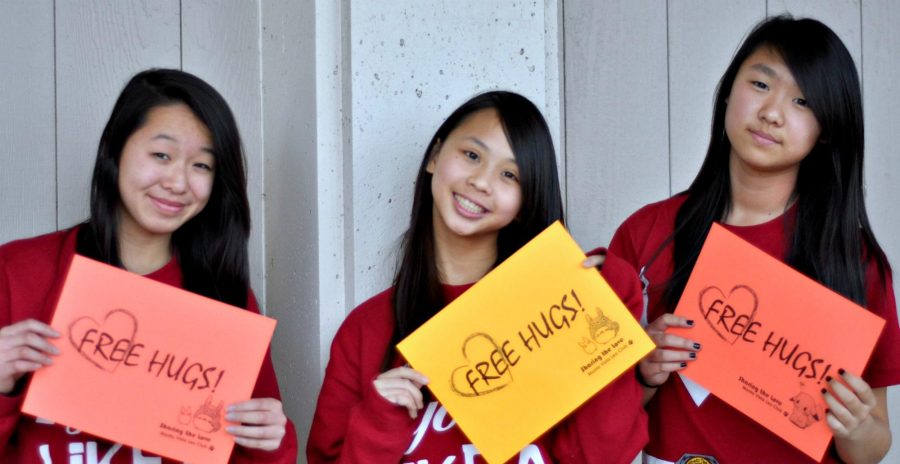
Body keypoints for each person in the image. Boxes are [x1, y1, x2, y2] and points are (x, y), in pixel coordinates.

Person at [608, 16, 900, 464]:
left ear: (827, 129)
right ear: (728, 90)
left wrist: (858, 427)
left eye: (802, 101)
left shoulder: (854, 260)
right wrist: (645, 375)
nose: (772, 112)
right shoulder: (646, 233)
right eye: (761, 84)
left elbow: (872, 447)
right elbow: (597, 420)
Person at [307, 91, 648, 463]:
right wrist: (378, 421)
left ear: (525, 202)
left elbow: (603, 455)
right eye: (472, 155)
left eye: (509, 174)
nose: (482, 182)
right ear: (435, 156)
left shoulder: (555, 313)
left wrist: (613, 310)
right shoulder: (365, 329)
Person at [0, 69, 298, 462]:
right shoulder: (18, 271)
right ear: (115, 149)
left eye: (202, 166)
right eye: (161, 155)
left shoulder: (227, 299)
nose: (178, 181)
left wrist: (270, 441)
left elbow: (256, 455)